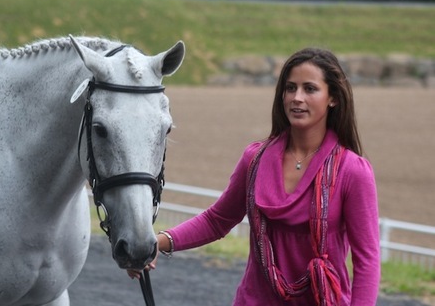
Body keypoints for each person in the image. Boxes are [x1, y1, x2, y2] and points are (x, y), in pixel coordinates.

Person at [129, 47, 380, 306]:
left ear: (333, 98)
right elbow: (218, 220)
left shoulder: (352, 171)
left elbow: (367, 261)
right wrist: (158, 242)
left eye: (310, 89)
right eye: (290, 88)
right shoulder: (255, 160)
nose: (297, 97)